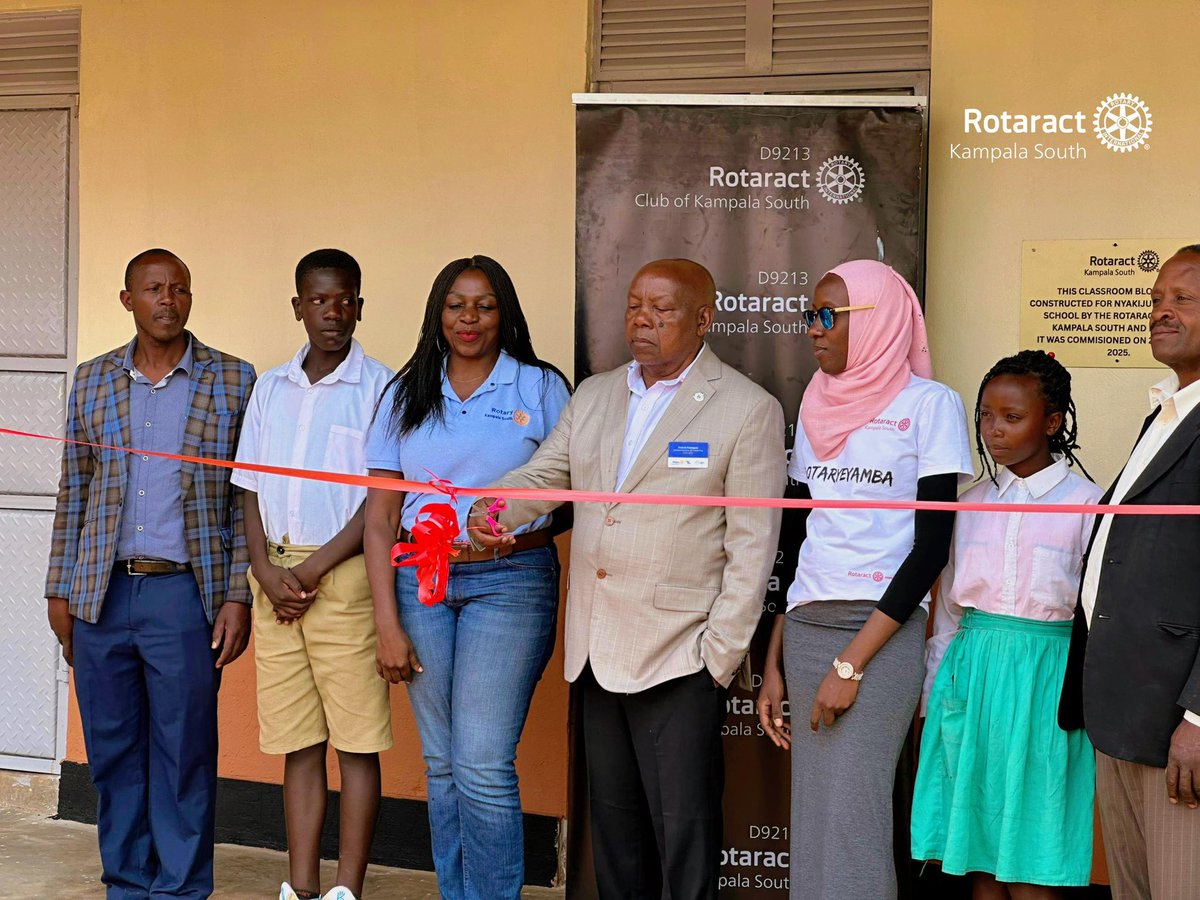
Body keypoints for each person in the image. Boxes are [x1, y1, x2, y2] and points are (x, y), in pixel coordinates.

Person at [472, 258, 785, 900]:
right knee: (615, 838)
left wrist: (717, 658)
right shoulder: (595, 394)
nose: (643, 320)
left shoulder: (747, 409)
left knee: (684, 836)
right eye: (635, 306)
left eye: (662, 310)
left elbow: (753, 548)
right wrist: (491, 509)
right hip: (596, 648)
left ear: (704, 319)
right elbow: (547, 475)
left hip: (680, 654)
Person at [756, 259, 972, 900]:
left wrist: (851, 665)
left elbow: (931, 550)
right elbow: (800, 539)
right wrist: (773, 659)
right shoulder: (815, 400)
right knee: (815, 816)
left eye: (828, 315)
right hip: (807, 628)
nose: (813, 329)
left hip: (879, 633)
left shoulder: (931, 404)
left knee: (855, 817)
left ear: (878, 322)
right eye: (810, 315)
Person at [45, 248, 256, 898]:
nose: (168, 300)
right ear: (127, 300)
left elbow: (243, 499)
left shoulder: (233, 379)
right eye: (154, 288)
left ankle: (181, 890)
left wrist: (237, 595)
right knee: (113, 755)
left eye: (179, 289)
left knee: (183, 754)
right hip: (102, 595)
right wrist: (58, 589)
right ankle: (128, 886)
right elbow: (74, 489)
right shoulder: (92, 379)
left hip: (184, 594)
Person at [362, 255, 570, 900]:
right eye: (456, 305)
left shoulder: (538, 387)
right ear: (438, 313)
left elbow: (572, 493)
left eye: (484, 305)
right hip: (420, 584)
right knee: (443, 765)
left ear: (504, 313)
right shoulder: (406, 391)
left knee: (481, 762)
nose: (469, 318)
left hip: (510, 581)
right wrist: (386, 623)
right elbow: (380, 518)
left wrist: (508, 521)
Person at [231, 249, 393, 900]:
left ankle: (345, 890)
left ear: (360, 306)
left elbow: (381, 499)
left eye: (346, 300)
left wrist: (313, 570)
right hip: (274, 580)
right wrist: (264, 569)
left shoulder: (381, 388)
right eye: (320, 300)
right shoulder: (271, 388)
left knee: (355, 742)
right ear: (298, 306)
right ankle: (299, 887)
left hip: (343, 576)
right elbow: (248, 487)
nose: (333, 312)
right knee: (298, 743)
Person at [911, 350, 1100, 898]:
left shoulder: (1090, 504)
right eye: (985, 416)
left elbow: (1096, 614)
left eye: (1012, 417)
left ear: (1052, 421)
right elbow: (948, 614)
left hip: (1048, 687)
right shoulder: (968, 505)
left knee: (1036, 856)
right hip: (972, 682)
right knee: (978, 856)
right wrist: (932, 698)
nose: (994, 429)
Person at [1059, 245, 1200, 900]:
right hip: (1125, 714)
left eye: (1183, 298)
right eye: (1156, 298)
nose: (1161, 311)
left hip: (1178, 727)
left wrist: (1199, 719)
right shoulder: (1166, 412)